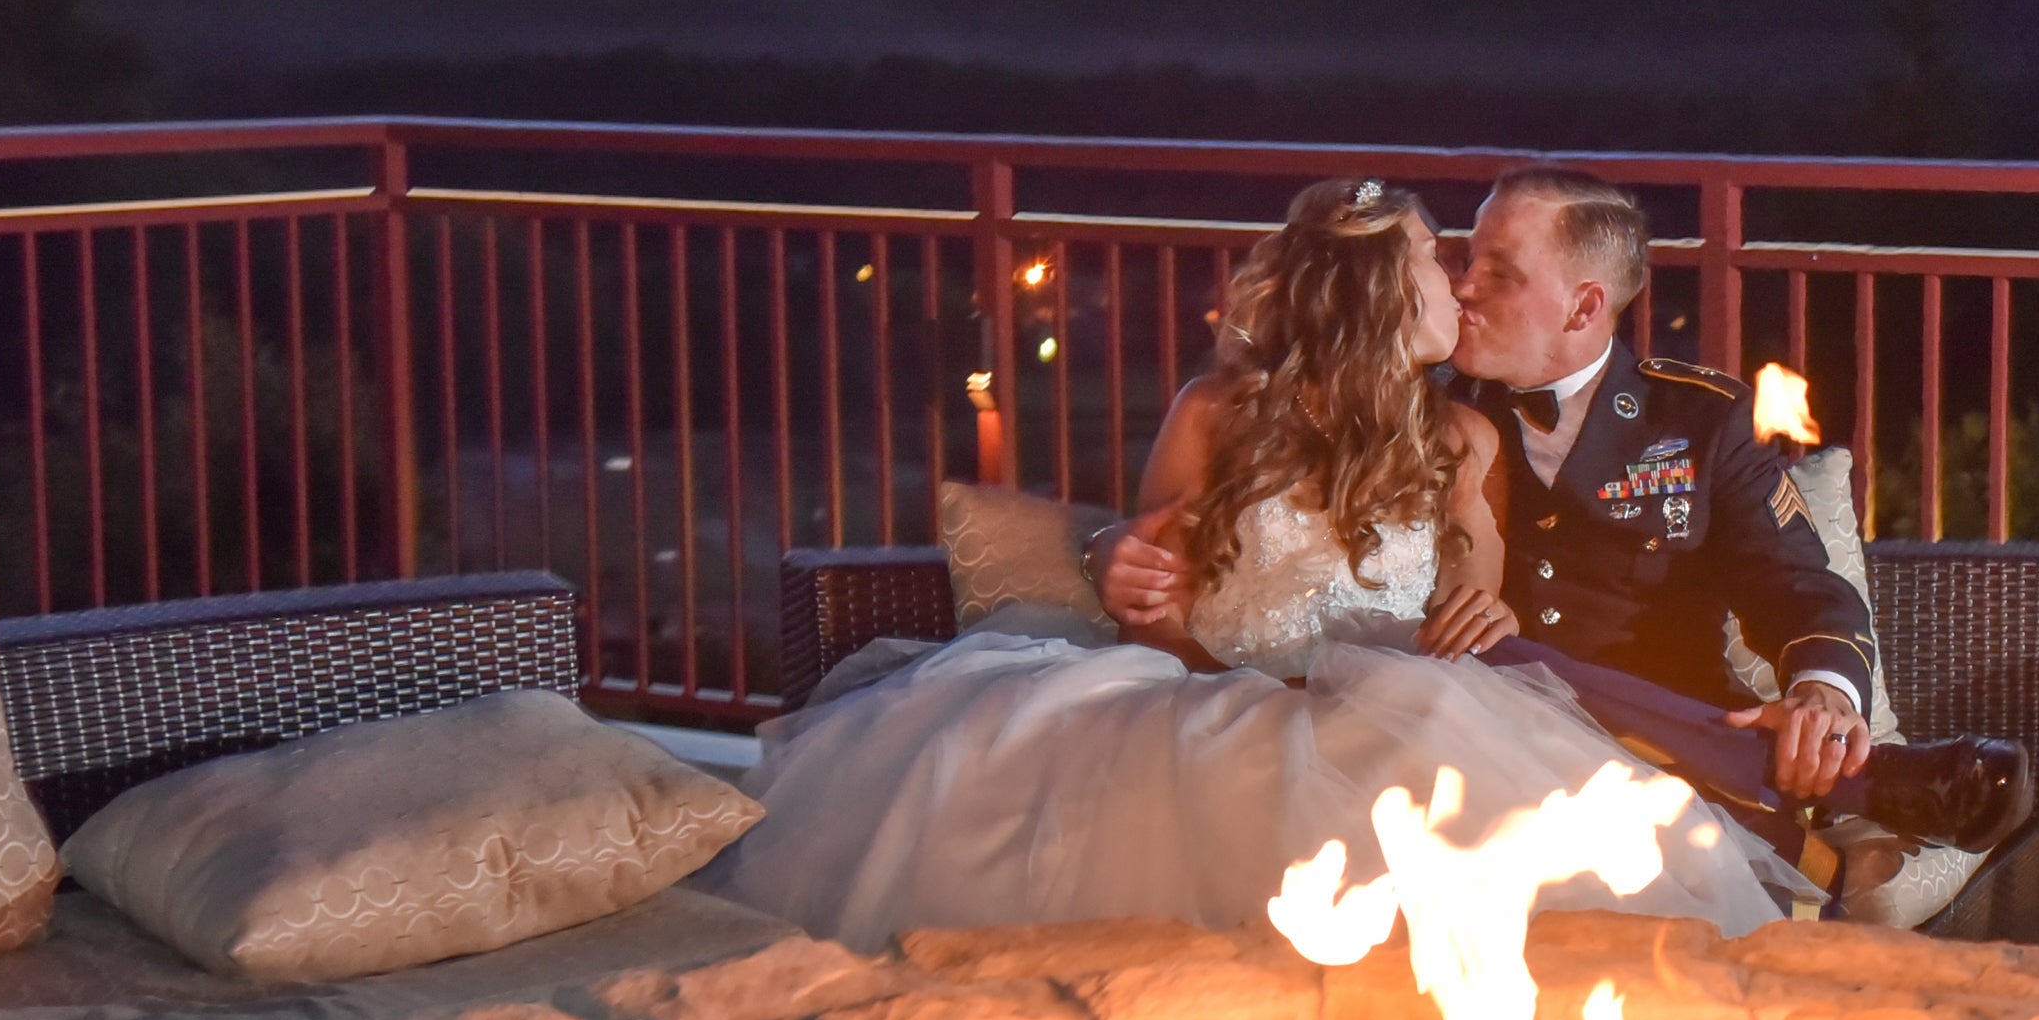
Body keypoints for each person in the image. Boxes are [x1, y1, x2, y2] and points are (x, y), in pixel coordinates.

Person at [702, 178, 1791, 951]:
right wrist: (1125, 573)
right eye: (1438, 259)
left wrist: (1475, 616)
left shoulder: (1463, 439)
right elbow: (1154, 594)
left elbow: (1480, 597)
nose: (1459, 282)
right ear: (1374, 288)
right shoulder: (1217, 414)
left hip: (1389, 709)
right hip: (1208, 704)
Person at [1095, 164, 2033, 901]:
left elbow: (1797, 581)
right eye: (1458, 263)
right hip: (1454, 727)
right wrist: (1110, 556)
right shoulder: (1426, 406)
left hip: (1625, 725)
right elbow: (1179, 555)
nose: (1463, 289)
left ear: (1586, 307)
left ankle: (1816, 805)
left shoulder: (1695, 421)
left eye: (1497, 274)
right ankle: (1833, 823)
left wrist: (1826, 691)